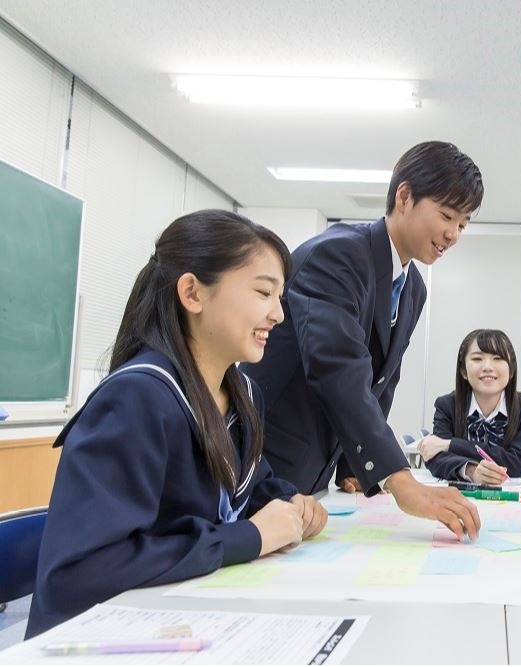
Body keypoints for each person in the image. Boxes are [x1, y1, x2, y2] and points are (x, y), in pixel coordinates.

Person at [27, 210, 326, 637]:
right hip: (100, 637)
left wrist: (292, 503)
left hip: (186, 618)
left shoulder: (242, 393)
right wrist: (249, 538)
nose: (279, 314)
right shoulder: (136, 399)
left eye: (281, 297)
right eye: (264, 292)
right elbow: (81, 570)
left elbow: (246, 487)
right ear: (192, 293)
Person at [243, 141, 483, 540]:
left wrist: (356, 466)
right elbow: (338, 368)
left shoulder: (412, 288)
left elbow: (381, 381)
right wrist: (400, 480)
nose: (453, 233)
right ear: (404, 197)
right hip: (268, 463)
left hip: (317, 473)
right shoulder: (338, 255)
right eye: (446, 215)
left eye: (463, 223)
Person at [419, 329, 521, 483]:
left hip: (511, 497)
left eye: (498, 358)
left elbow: (516, 464)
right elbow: (436, 458)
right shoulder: (446, 405)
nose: (487, 367)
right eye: (477, 358)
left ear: (511, 370)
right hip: (461, 497)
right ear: (463, 370)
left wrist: (450, 444)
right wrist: (471, 471)